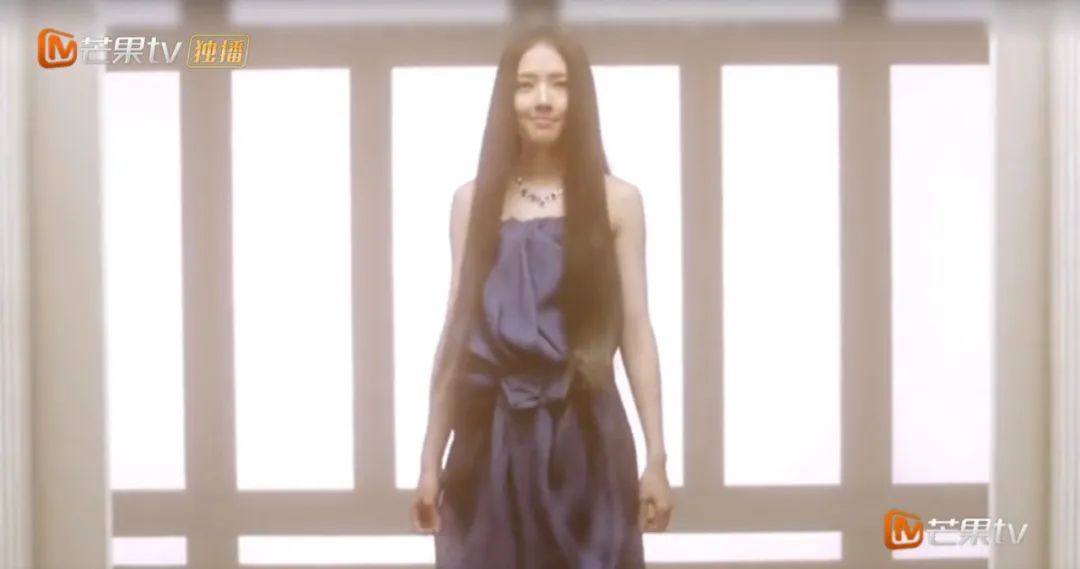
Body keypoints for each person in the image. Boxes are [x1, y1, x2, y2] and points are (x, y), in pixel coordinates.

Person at [409, 24, 674, 569]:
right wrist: (430, 460)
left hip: (587, 438)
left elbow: (636, 328)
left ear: (581, 98)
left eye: (560, 84)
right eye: (527, 85)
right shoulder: (472, 203)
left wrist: (657, 457)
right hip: (489, 440)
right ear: (506, 100)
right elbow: (457, 333)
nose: (544, 100)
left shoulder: (618, 202)